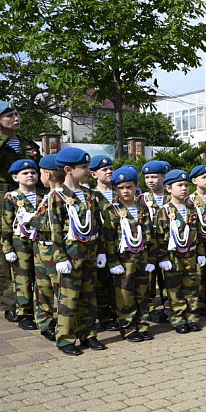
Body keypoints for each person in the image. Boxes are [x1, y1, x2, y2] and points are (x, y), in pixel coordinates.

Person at [0, 101, 43, 323]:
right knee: (2, 248)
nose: (16, 118)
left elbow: (37, 174)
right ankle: (10, 304)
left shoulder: (28, 144)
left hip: (28, 196)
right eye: (9, 115)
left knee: (33, 243)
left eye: (16, 114)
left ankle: (32, 301)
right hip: (0, 196)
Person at [48, 147, 111, 356]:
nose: (87, 171)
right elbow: (55, 229)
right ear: (68, 170)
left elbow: (99, 225)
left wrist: (101, 251)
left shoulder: (91, 195)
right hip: (70, 253)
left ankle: (88, 334)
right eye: (83, 167)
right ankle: (65, 338)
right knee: (69, 297)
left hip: (90, 251)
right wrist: (60, 257)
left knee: (88, 295)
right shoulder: (57, 196)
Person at [156, 169, 206, 334]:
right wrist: (163, 258)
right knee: (174, 288)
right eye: (179, 185)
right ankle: (178, 318)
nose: (184, 188)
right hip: (173, 256)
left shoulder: (191, 209)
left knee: (192, 287)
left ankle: (192, 318)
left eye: (186, 185)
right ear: (168, 188)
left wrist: (201, 253)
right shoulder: (164, 211)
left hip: (191, 254)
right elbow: (159, 238)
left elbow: (198, 233)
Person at [109, 166, 156, 342]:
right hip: (124, 259)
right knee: (125, 295)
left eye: (129, 187)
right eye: (121, 188)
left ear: (136, 186)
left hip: (142, 257)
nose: (125, 191)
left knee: (142, 292)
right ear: (115, 189)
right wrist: (113, 262)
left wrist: (151, 258)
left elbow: (150, 235)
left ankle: (142, 325)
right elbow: (109, 238)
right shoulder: (113, 211)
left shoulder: (142, 208)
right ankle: (128, 328)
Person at [0, 158, 42, 331]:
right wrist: (7, 247)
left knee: (40, 279)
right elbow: (6, 224)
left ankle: (41, 313)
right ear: (15, 177)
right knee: (23, 279)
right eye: (25, 173)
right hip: (20, 243)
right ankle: (24, 314)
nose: (30, 175)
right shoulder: (11, 197)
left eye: (33, 172)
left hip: (39, 241)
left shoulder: (43, 196)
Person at [30, 155, 61, 341]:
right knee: (42, 288)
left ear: (47, 174)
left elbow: (54, 224)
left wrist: (32, 220)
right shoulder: (47, 197)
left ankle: (67, 326)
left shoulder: (62, 197)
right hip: (40, 249)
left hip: (54, 250)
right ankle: (46, 324)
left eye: (40, 173)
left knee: (60, 288)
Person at [89, 155, 119, 332]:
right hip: (100, 245)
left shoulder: (119, 194)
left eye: (111, 169)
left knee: (117, 283)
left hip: (119, 245)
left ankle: (117, 314)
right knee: (101, 283)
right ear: (94, 174)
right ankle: (105, 317)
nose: (109, 172)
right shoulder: (91, 196)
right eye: (104, 169)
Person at [141, 160, 171, 323]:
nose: (150, 181)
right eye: (147, 177)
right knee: (149, 279)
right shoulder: (142, 199)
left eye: (154, 177)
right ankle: (150, 309)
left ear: (164, 177)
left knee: (168, 278)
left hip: (167, 245)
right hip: (149, 246)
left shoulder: (172, 198)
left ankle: (169, 307)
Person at [188, 165, 206, 316]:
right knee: (199, 273)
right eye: (204, 177)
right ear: (194, 181)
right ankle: (198, 304)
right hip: (198, 242)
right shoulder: (190, 200)